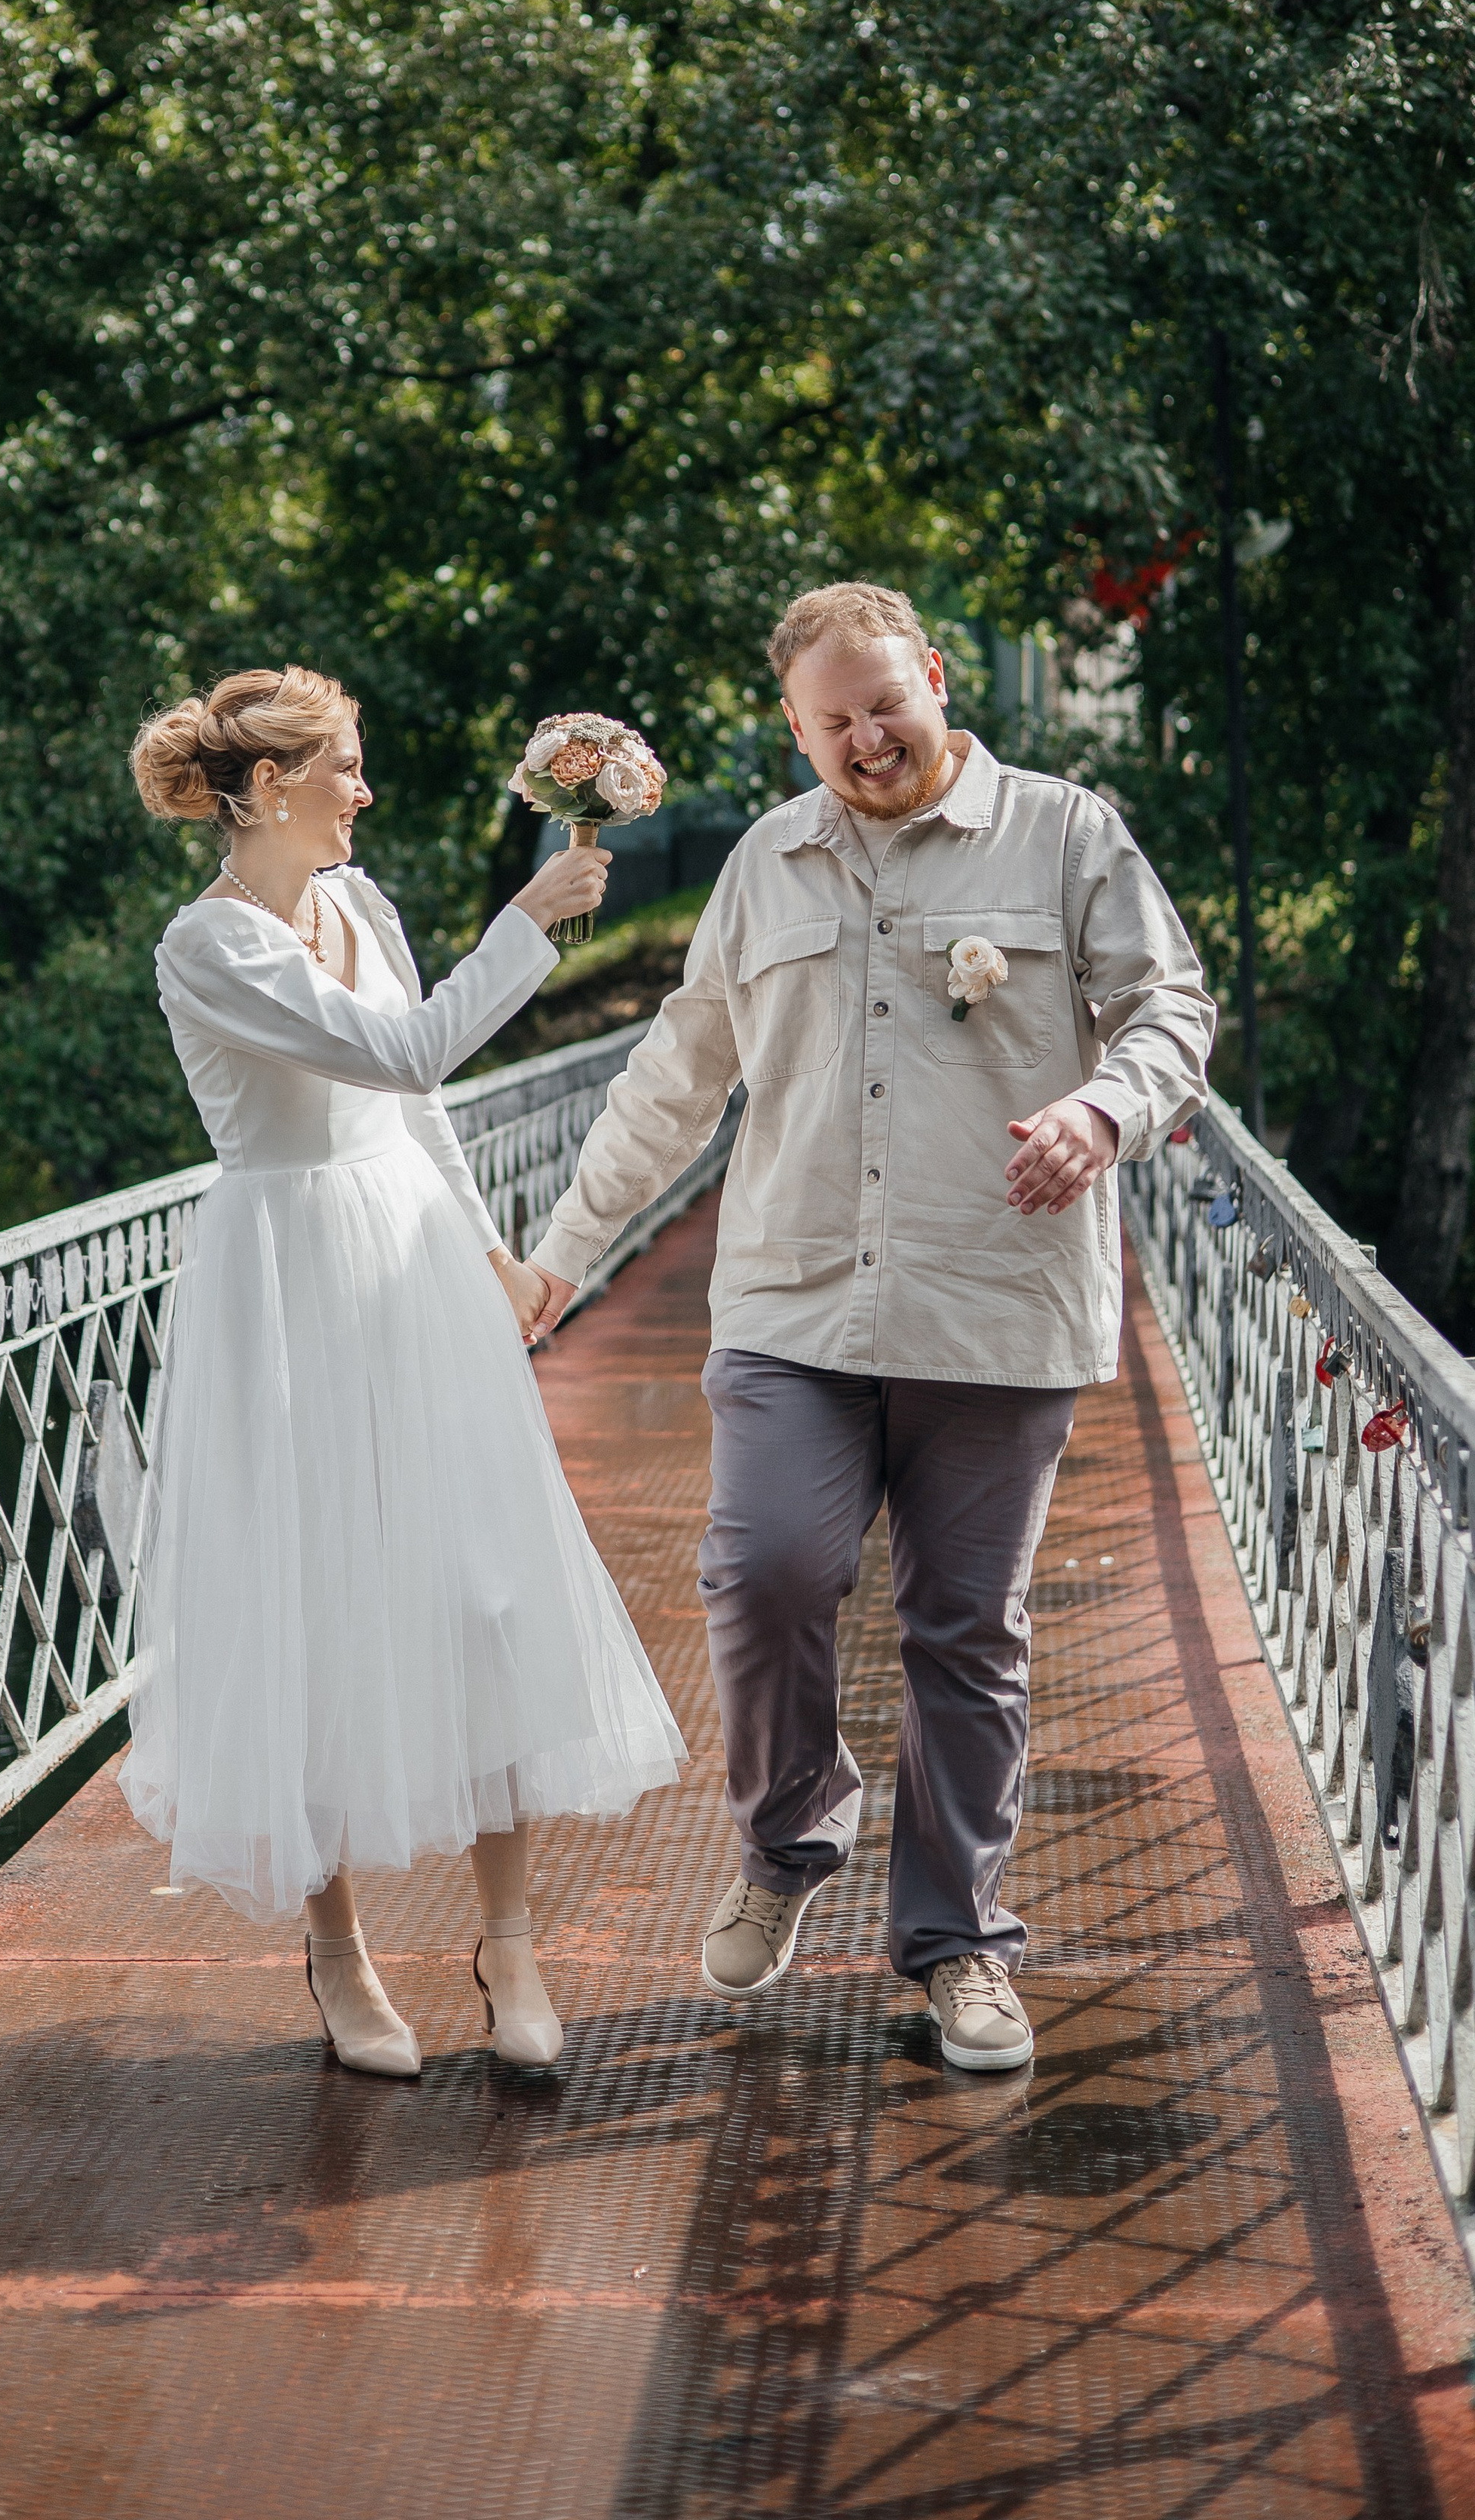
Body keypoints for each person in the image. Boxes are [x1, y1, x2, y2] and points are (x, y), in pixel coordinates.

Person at [526, 584, 1214, 2070]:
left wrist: (1104, 1110)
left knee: (965, 1635)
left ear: (937, 680)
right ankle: (786, 1842)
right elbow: (676, 1074)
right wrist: (566, 1249)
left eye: (884, 704)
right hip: (794, 1303)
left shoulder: (1064, 833)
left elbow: (1170, 1009)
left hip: (994, 1303)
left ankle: (958, 1945)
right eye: (830, 721)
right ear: (796, 732)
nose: (866, 739)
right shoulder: (765, 865)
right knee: (763, 1572)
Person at [118, 666, 685, 2079]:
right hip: (287, 1278)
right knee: (314, 1601)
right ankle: (338, 1951)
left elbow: (416, 1103)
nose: (365, 792)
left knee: (483, 1587)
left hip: (413, 1258)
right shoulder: (209, 946)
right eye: (346, 769)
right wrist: (528, 926)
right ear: (268, 788)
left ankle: (510, 1943)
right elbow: (405, 1044)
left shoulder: (359, 905)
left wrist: (493, 1256)